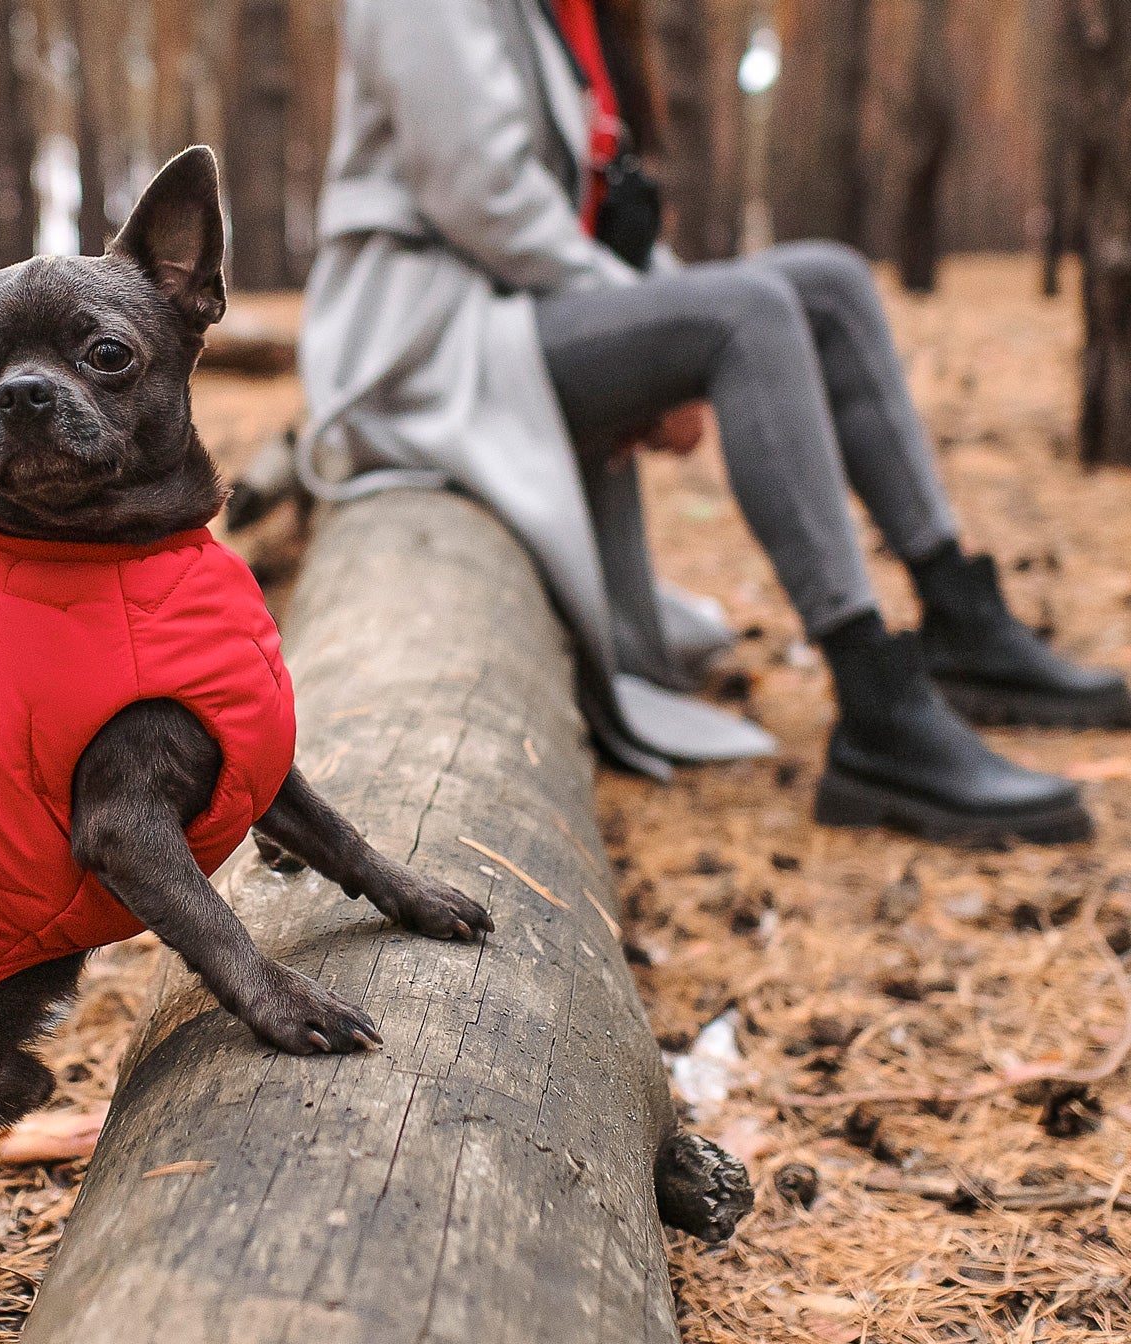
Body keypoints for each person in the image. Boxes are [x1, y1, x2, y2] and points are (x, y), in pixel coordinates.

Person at [296, 0, 1128, 845]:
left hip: (514, 308)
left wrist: (664, 310)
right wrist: (667, 335)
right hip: (432, 343)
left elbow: (590, 216)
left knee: (829, 285)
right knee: (745, 315)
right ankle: (877, 707)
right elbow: (481, 195)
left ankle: (963, 619)